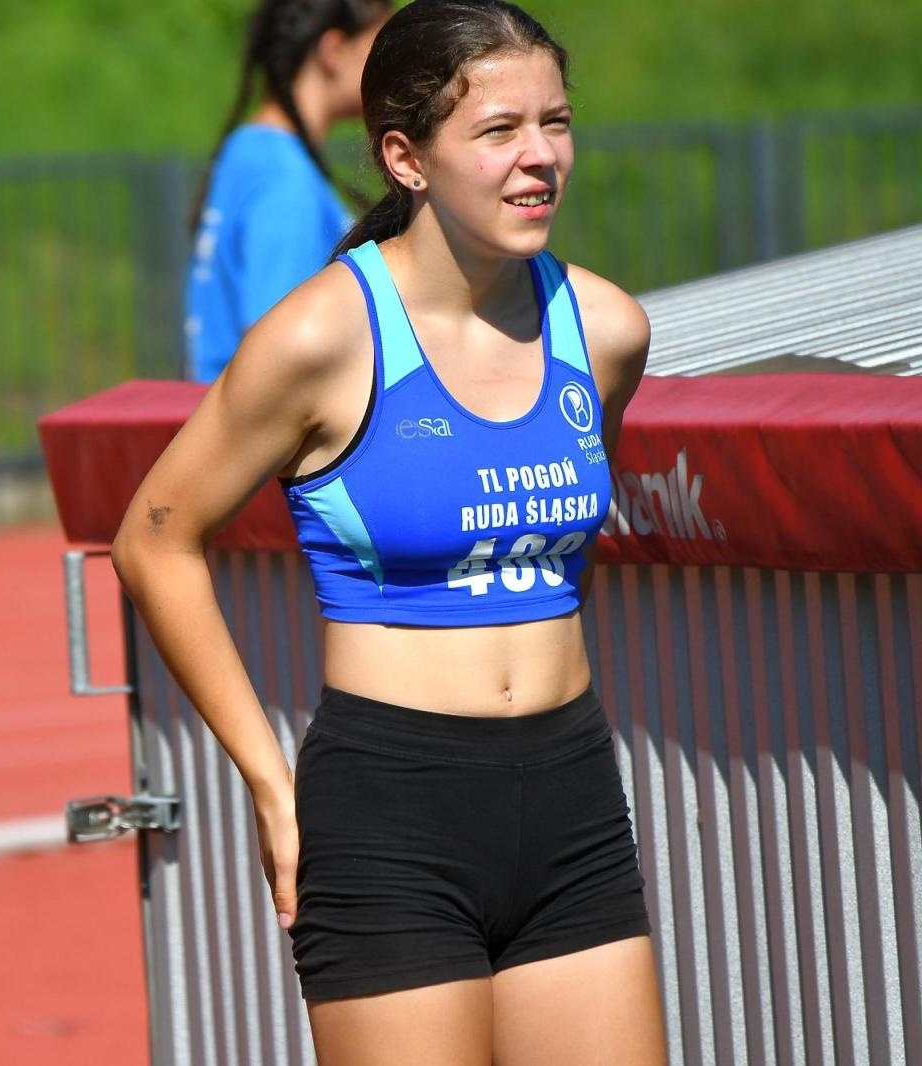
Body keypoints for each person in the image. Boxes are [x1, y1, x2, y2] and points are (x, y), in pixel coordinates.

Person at [114, 1, 667, 1062]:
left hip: (570, 798)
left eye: (555, 122)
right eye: (498, 131)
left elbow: (555, 554)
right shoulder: (321, 335)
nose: (540, 156)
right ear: (404, 157)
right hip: (388, 812)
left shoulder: (603, 329)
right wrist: (271, 785)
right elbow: (154, 539)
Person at [183, 0, 392, 383]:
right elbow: (276, 362)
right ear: (334, 51)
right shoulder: (285, 179)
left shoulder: (248, 150)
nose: (394, 68)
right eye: (380, 47)